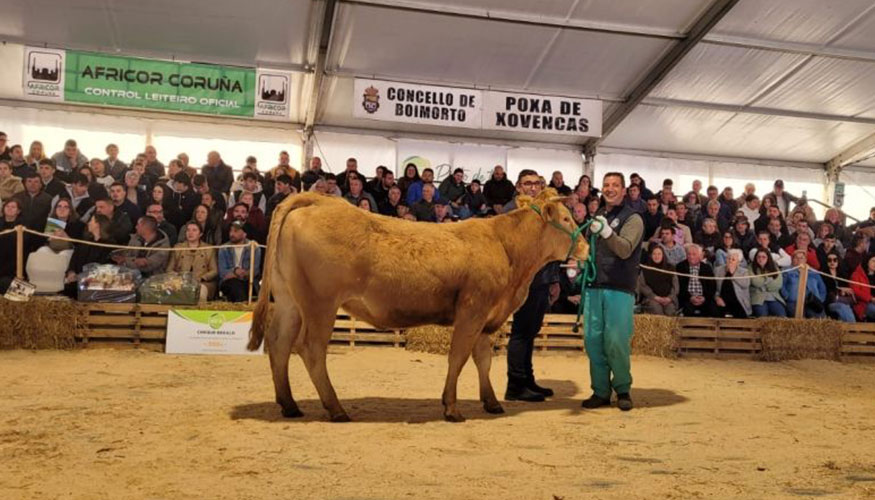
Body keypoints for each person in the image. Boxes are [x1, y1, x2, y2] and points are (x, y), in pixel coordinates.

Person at [580, 172, 643, 411]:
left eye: (615, 185)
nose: (610, 189)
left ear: (624, 190)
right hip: (594, 286)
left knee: (615, 340)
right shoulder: (597, 215)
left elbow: (625, 249)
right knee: (593, 340)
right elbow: (588, 247)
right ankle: (600, 391)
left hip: (619, 287)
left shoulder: (633, 218)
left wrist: (607, 233)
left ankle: (623, 389)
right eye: (606, 185)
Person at [504, 169, 562, 403]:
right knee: (521, 332)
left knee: (530, 332)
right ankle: (515, 385)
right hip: (523, 281)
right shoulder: (512, 211)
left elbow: (553, 245)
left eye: (537, 184)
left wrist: (555, 279)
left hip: (543, 280)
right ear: (518, 186)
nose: (532, 188)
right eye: (527, 184)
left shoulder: (546, 208)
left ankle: (527, 380)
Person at [63, 213, 114, 298]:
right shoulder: (85, 242)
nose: (88, 223)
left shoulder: (109, 245)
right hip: (77, 283)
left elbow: (104, 266)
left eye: (91, 221)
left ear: (98, 224)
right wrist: (71, 271)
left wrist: (83, 277)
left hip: (95, 285)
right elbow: (74, 259)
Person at [166, 221, 218, 301]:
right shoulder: (178, 248)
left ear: (200, 234)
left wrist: (202, 278)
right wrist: (179, 278)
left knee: (200, 294)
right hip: (180, 281)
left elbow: (214, 270)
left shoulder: (208, 249)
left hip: (203, 282)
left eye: (194, 230)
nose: (190, 233)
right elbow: (169, 269)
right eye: (188, 230)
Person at [218, 221, 261, 302]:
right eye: (231, 231)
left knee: (242, 286)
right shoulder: (224, 248)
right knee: (234, 285)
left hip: (248, 281)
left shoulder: (254, 248)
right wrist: (235, 271)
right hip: (229, 282)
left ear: (244, 234)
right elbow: (222, 272)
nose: (232, 234)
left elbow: (255, 271)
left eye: (236, 231)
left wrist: (241, 274)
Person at [781, 250, 827, 318]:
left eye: (801, 258)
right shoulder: (787, 271)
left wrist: (819, 299)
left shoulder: (813, 272)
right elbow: (781, 286)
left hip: (812, 301)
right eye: (796, 258)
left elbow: (822, 288)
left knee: (818, 320)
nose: (799, 260)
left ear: (805, 260)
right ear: (792, 260)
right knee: (799, 320)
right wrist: (787, 296)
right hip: (794, 301)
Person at [677, 244, 717, 318]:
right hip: (687, 298)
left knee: (713, 309)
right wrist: (690, 297)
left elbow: (712, 286)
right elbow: (679, 287)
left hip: (704, 298)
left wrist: (704, 298)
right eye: (689, 254)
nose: (691, 257)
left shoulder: (707, 268)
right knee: (687, 310)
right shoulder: (680, 267)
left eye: (694, 254)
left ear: (700, 255)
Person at [637, 245, 678, 316]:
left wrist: (669, 298)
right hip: (651, 298)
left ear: (663, 255)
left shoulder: (670, 268)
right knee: (656, 309)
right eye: (654, 254)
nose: (657, 256)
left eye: (659, 254)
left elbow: (675, 286)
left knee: (670, 310)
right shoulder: (645, 268)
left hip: (668, 299)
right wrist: (655, 297)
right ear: (651, 255)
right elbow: (642, 285)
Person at [714, 249, 752, 319]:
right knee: (715, 312)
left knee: (740, 316)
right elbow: (714, 288)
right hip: (722, 300)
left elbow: (745, 284)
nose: (730, 261)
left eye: (733, 260)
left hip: (738, 300)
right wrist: (717, 298)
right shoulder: (718, 270)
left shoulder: (744, 272)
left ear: (738, 262)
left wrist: (733, 274)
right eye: (729, 258)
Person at [749, 249, 787, 317]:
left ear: (768, 258)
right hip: (758, 298)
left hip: (773, 297)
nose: (761, 259)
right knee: (762, 315)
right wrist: (769, 279)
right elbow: (756, 282)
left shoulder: (774, 267)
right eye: (759, 257)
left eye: (763, 257)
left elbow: (778, 284)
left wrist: (763, 283)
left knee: (781, 315)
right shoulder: (750, 267)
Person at [822, 253, 856, 323]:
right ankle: (854, 329)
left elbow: (848, 289)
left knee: (846, 308)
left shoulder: (843, 274)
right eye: (829, 260)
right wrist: (840, 289)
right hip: (830, 301)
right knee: (843, 308)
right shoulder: (822, 274)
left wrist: (843, 291)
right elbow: (825, 290)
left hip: (844, 299)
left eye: (835, 260)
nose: (832, 262)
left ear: (838, 261)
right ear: (826, 262)